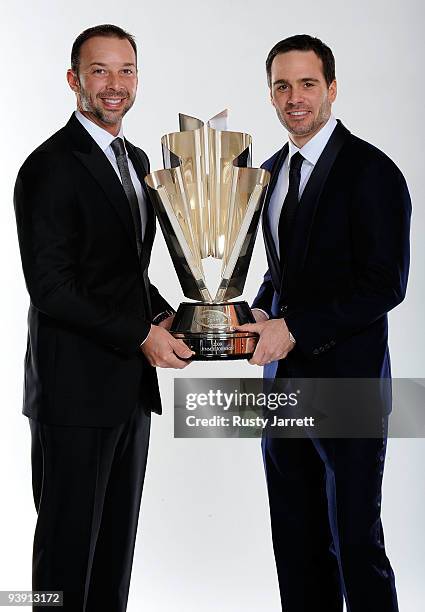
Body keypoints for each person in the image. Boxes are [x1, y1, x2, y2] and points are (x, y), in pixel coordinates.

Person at [13, 24, 193, 612]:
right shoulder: (48, 166)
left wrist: (179, 317)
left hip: (127, 394)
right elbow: (53, 289)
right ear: (74, 80)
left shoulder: (136, 160)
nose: (114, 85)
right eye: (99, 71)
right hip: (72, 396)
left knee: (114, 558)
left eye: (126, 71)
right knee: (62, 568)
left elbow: (123, 274)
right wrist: (142, 334)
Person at [237, 35, 411, 611]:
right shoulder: (266, 173)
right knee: (296, 542)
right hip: (280, 388)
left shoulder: (373, 171)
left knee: (355, 542)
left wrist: (296, 328)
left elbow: (385, 285)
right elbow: (283, 270)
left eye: (307, 84)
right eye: (282, 86)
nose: (295, 98)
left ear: (332, 89)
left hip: (350, 384)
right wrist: (263, 309)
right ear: (270, 94)